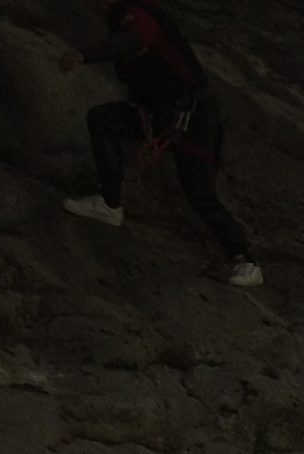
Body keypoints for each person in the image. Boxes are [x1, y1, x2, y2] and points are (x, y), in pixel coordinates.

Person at [58, 0, 262, 287]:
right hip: (161, 115)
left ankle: (246, 261)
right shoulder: (122, 22)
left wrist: (83, 55)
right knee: (103, 119)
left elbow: (134, 40)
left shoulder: (138, 14)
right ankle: (109, 204)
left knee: (200, 193)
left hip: (193, 118)